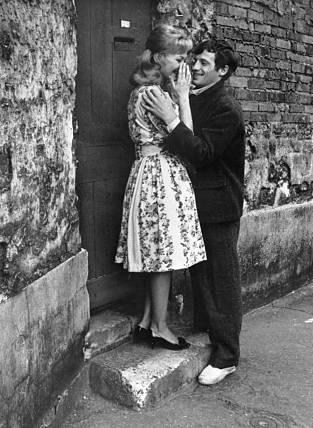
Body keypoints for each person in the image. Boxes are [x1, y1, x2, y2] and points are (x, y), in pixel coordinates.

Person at [142, 39, 245, 385]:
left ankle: (227, 355)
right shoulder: (199, 97)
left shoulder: (226, 108)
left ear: (223, 71)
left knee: (222, 278)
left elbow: (200, 153)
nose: (195, 68)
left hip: (219, 204)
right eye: (194, 61)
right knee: (202, 273)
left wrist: (172, 118)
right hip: (195, 200)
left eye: (204, 63)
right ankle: (209, 331)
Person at [114, 24, 207, 350]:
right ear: (156, 56)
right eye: (178, 57)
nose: (184, 64)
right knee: (163, 255)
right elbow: (187, 140)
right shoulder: (154, 95)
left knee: (158, 252)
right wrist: (183, 96)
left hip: (152, 171)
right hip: (160, 174)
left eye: (187, 57)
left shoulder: (149, 92)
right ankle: (159, 326)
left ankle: (145, 321)